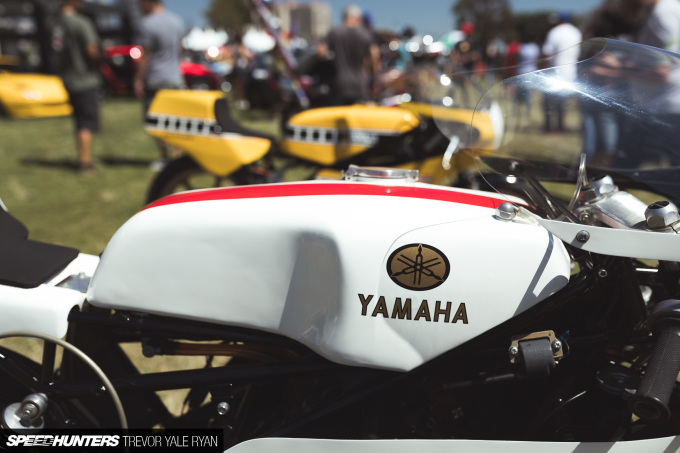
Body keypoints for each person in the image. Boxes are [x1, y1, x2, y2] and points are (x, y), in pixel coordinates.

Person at [51, 0, 101, 174]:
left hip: (69, 79)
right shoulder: (81, 22)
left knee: (79, 120)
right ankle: (85, 162)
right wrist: (99, 62)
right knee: (86, 122)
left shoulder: (57, 25)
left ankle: (84, 157)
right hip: (85, 79)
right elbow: (91, 50)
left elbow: (56, 52)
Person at [134, 0, 185, 165]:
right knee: (176, 120)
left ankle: (165, 158)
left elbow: (145, 56)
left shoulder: (147, 24)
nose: (139, 6)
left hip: (156, 78)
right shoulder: (177, 21)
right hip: (175, 78)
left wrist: (138, 79)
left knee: (157, 120)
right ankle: (177, 157)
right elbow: (180, 50)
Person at [318, 4, 379, 105]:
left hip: (339, 85)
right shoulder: (365, 34)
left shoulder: (335, 32)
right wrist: (374, 81)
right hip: (359, 85)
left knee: (338, 113)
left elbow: (321, 52)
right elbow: (374, 57)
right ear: (357, 18)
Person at [541, 12, 582, 132]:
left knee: (548, 102)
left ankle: (548, 126)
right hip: (571, 71)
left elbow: (547, 53)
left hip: (555, 71)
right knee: (562, 102)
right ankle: (561, 126)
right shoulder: (576, 32)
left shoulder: (554, 32)